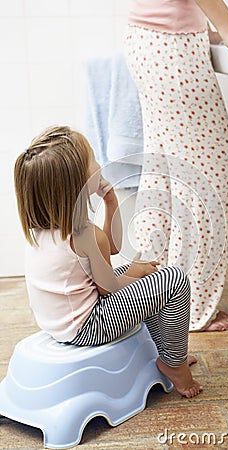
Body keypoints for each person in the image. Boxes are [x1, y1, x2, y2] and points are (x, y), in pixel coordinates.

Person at [14, 125, 201, 398]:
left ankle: (169, 350)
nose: (99, 164)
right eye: (92, 160)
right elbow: (109, 289)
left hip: (61, 322)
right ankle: (174, 363)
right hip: (90, 325)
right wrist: (136, 271)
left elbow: (109, 250)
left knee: (146, 281)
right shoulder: (84, 234)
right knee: (173, 280)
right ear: (77, 183)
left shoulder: (43, 230)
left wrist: (111, 202)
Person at [125, 0, 228, 332]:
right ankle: (191, 305)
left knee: (164, 174)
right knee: (217, 175)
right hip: (170, 50)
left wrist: (205, 31)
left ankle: (152, 290)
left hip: (151, 42)